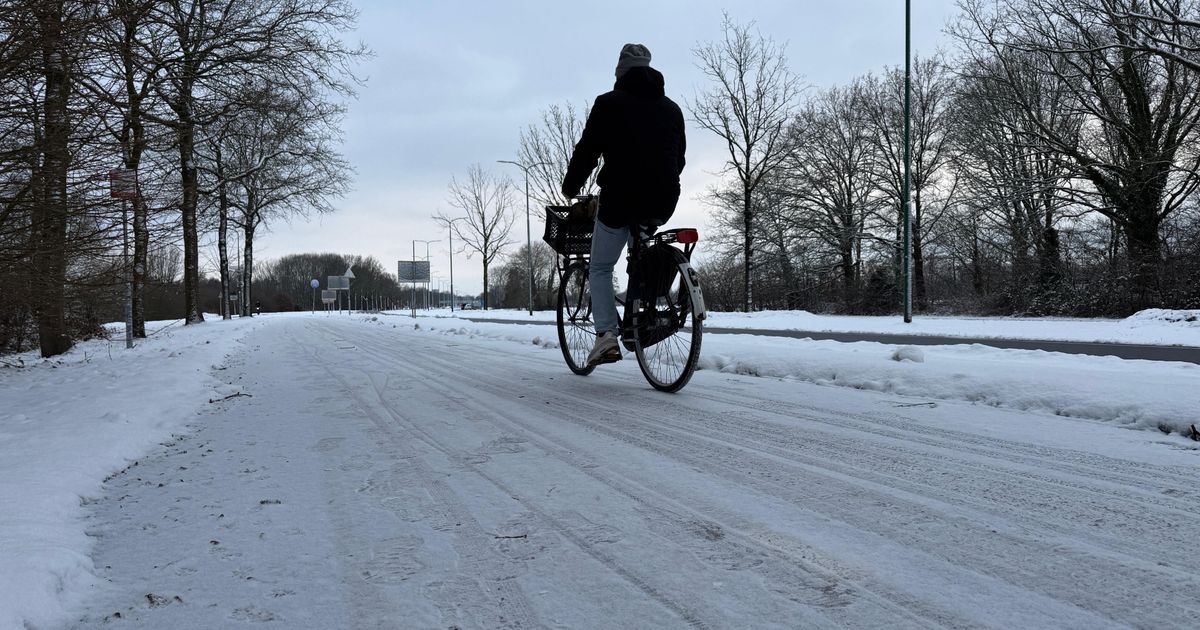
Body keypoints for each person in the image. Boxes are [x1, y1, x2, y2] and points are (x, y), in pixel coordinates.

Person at [561, 43, 686, 367]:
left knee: (601, 267)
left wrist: (571, 187)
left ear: (620, 72)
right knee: (640, 257)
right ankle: (640, 317)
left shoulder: (608, 104)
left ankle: (606, 336)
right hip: (663, 198)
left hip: (621, 197)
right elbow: (679, 159)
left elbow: (587, 151)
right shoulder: (672, 109)